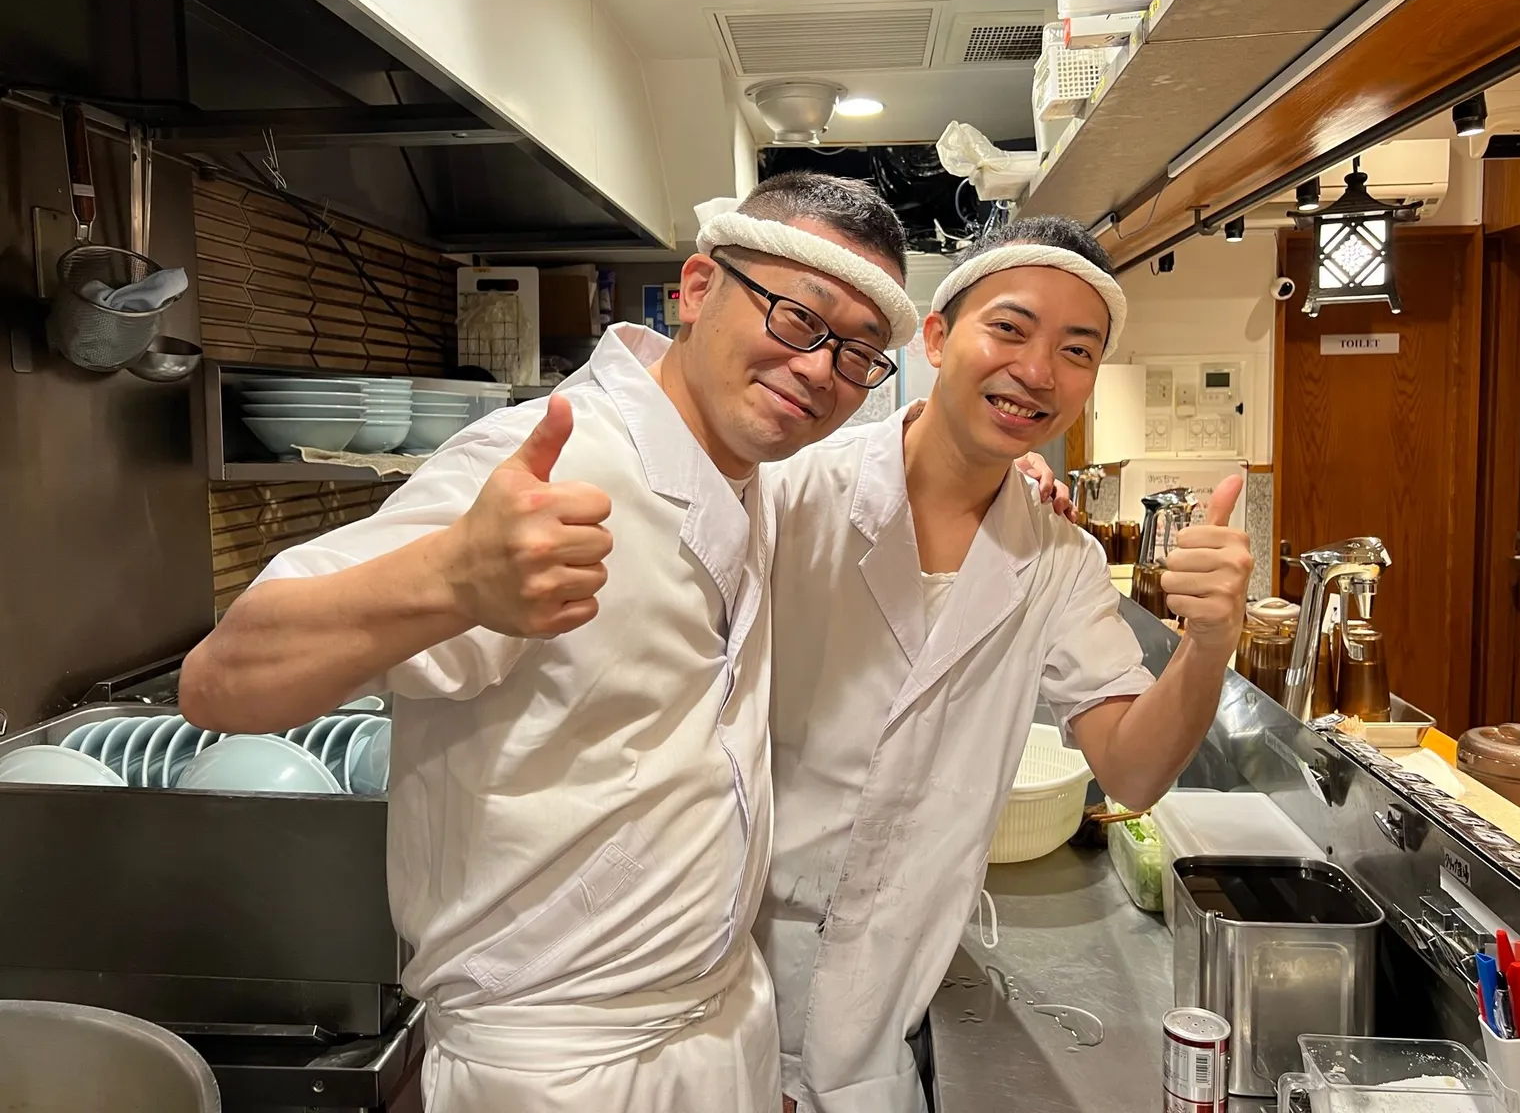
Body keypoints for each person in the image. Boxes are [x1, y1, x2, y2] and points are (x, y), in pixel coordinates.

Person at [178, 172, 924, 1113]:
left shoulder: (750, 475)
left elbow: (906, 460)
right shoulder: (541, 462)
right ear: (697, 289)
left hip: (721, 1023)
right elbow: (220, 684)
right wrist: (452, 578)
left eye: (859, 354)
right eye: (796, 318)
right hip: (557, 1068)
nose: (821, 370)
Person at [757, 216, 1254, 1113]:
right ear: (939, 339)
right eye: (1011, 329)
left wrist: (1210, 643)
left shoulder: (1058, 562)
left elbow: (1133, 768)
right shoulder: (791, 494)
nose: (1037, 372)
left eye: (1077, 349)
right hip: (725, 992)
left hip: (880, 1020)